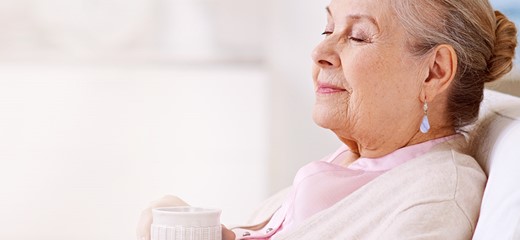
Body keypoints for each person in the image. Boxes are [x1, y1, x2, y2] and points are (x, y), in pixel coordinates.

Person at [137, 0, 518, 239]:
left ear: (433, 72)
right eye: (329, 28)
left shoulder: (434, 197)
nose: (320, 51)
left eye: (358, 37)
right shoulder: (351, 165)